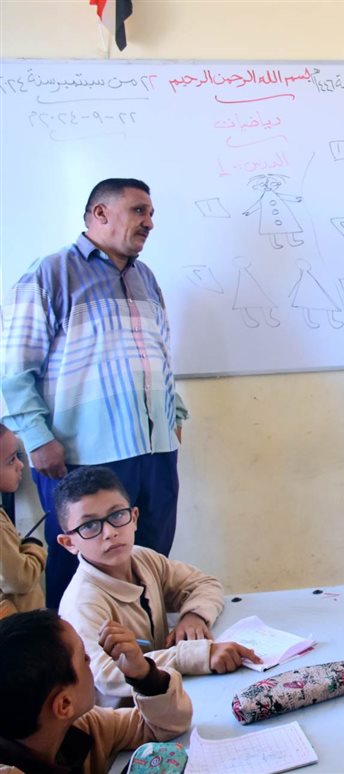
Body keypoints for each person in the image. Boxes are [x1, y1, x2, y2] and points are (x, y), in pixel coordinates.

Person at [1, 178, 188, 610]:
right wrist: (37, 439)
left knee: (149, 563)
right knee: (79, 576)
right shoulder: (51, 274)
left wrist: (175, 417)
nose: (149, 222)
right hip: (83, 456)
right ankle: (73, 653)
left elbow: (161, 356)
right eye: (139, 210)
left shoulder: (146, 278)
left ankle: (147, 647)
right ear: (100, 213)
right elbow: (14, 371)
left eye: (151, 213)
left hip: (156, 452)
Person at [53, 466, 258, 702]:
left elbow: (204, 583)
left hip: (171, 695)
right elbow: (107, 675)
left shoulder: (142, 558)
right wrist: (196, 655)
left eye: (117, 515)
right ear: (69, 543)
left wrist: (194, 615)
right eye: (89, 526)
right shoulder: (81, 604)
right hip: (127, 715)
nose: (109, 532)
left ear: (134, 518)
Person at [0, 609, 192, 774]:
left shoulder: (82, 728)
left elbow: (164, 726)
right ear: (64, 704)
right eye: (84, 657)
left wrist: (144, 675)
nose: (90, 660)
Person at [0, 425, 45, 612]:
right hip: (19, 622)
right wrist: (35, 549)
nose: (21, 465)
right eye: (11, 460)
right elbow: (19, 580)